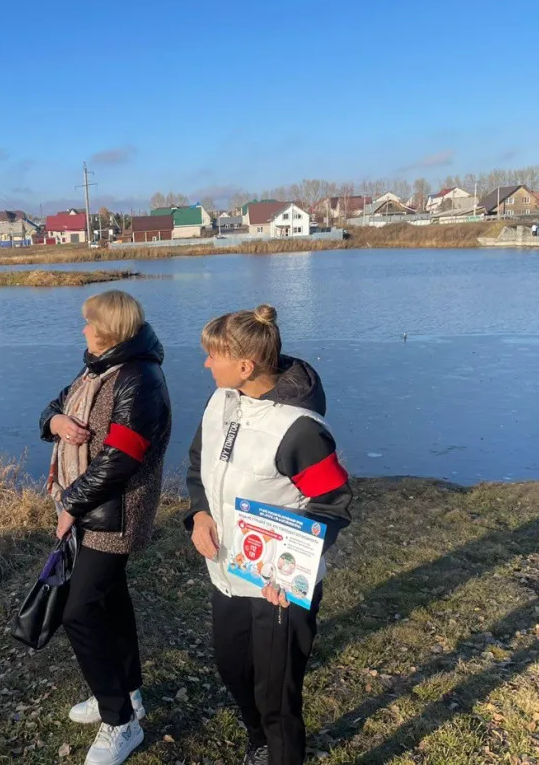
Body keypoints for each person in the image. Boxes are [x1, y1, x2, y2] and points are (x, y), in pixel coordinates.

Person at [186, 305, 353, 765]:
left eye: (212, 356)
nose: (205, 364)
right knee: (233, 668)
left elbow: (333, 505)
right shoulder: (220, 400)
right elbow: (198, 467)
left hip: (279, 588)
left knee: (277, 692)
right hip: (227, 572)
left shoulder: (300, 431)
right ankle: (257, 738)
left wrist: (290, 570)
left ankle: (279, 751)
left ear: (246, 366)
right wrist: (199, 515)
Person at [40, 289, 172, 765]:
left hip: (117, 514)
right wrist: (56, 421)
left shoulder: (140, 380)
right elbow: (52, 408)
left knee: (80, 612)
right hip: (93, 509)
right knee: (111, 603)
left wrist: (71, 504)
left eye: (89, 323)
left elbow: (122, 458)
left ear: (111, 329)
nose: (83, 330)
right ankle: (124, 693)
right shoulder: (96, 367)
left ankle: (120, 722)